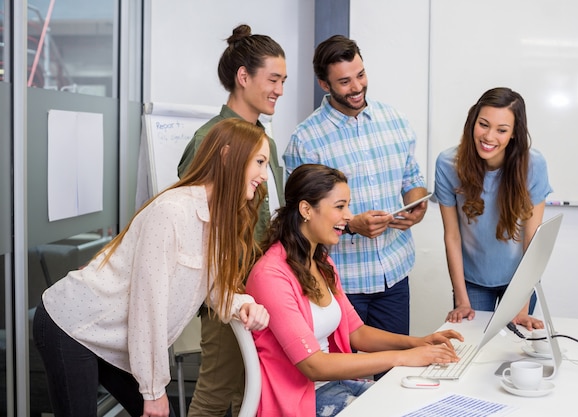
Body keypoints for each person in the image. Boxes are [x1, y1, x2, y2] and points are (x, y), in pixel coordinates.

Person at [33, 119, 271, 417]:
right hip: (72, 325)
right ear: (226, 156)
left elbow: (211, 286)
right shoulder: (171, 212)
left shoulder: (218, 219)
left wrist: (242, 304)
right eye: (260, 162)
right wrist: (153, 390)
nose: (264, 175)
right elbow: (148, 305)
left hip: (117, 337)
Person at [246, 163, 462, 417]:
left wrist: (417, 343)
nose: (349, 216)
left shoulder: (321, 262)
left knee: (424, 404)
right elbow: (314, 366)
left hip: (334, 387)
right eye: (340, 206)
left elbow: (356, 332)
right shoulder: (270, 275)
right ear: (306, 209)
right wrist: (403, 358)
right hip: (302, 399)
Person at [283, 35, 428, 341]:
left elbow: (412, 179)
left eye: (361, 75)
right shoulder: (306, 140)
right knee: (344, 381)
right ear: (324, 84)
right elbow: (299, 216)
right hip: (340, 282)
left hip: (394, 273)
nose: (357, 87)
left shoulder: (395, 120)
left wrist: (416, 205)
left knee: (392, 371)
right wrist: (351, 226)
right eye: (345, 81)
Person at [177, 24, 287, 417]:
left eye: (283, 81)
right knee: (217, 391)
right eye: (273, 79)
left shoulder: (265, 140)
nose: (279, 90)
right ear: (244, 77)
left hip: (263, 287)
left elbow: (269, 214)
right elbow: (197, 227)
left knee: (250, 392)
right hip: (228, 289)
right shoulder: (212, 140)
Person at [434, 87, 552, 330]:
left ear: (514, 135)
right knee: (474, 350)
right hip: (473, 281)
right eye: (483, 124)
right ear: (472, 121)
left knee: (513, 350)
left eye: (502, 130)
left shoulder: (533, 165)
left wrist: (520, 307)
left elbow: (533, 240)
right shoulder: (448, 164)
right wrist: (461, 300)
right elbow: (452, 236)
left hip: (519, 280)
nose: (489, 137)